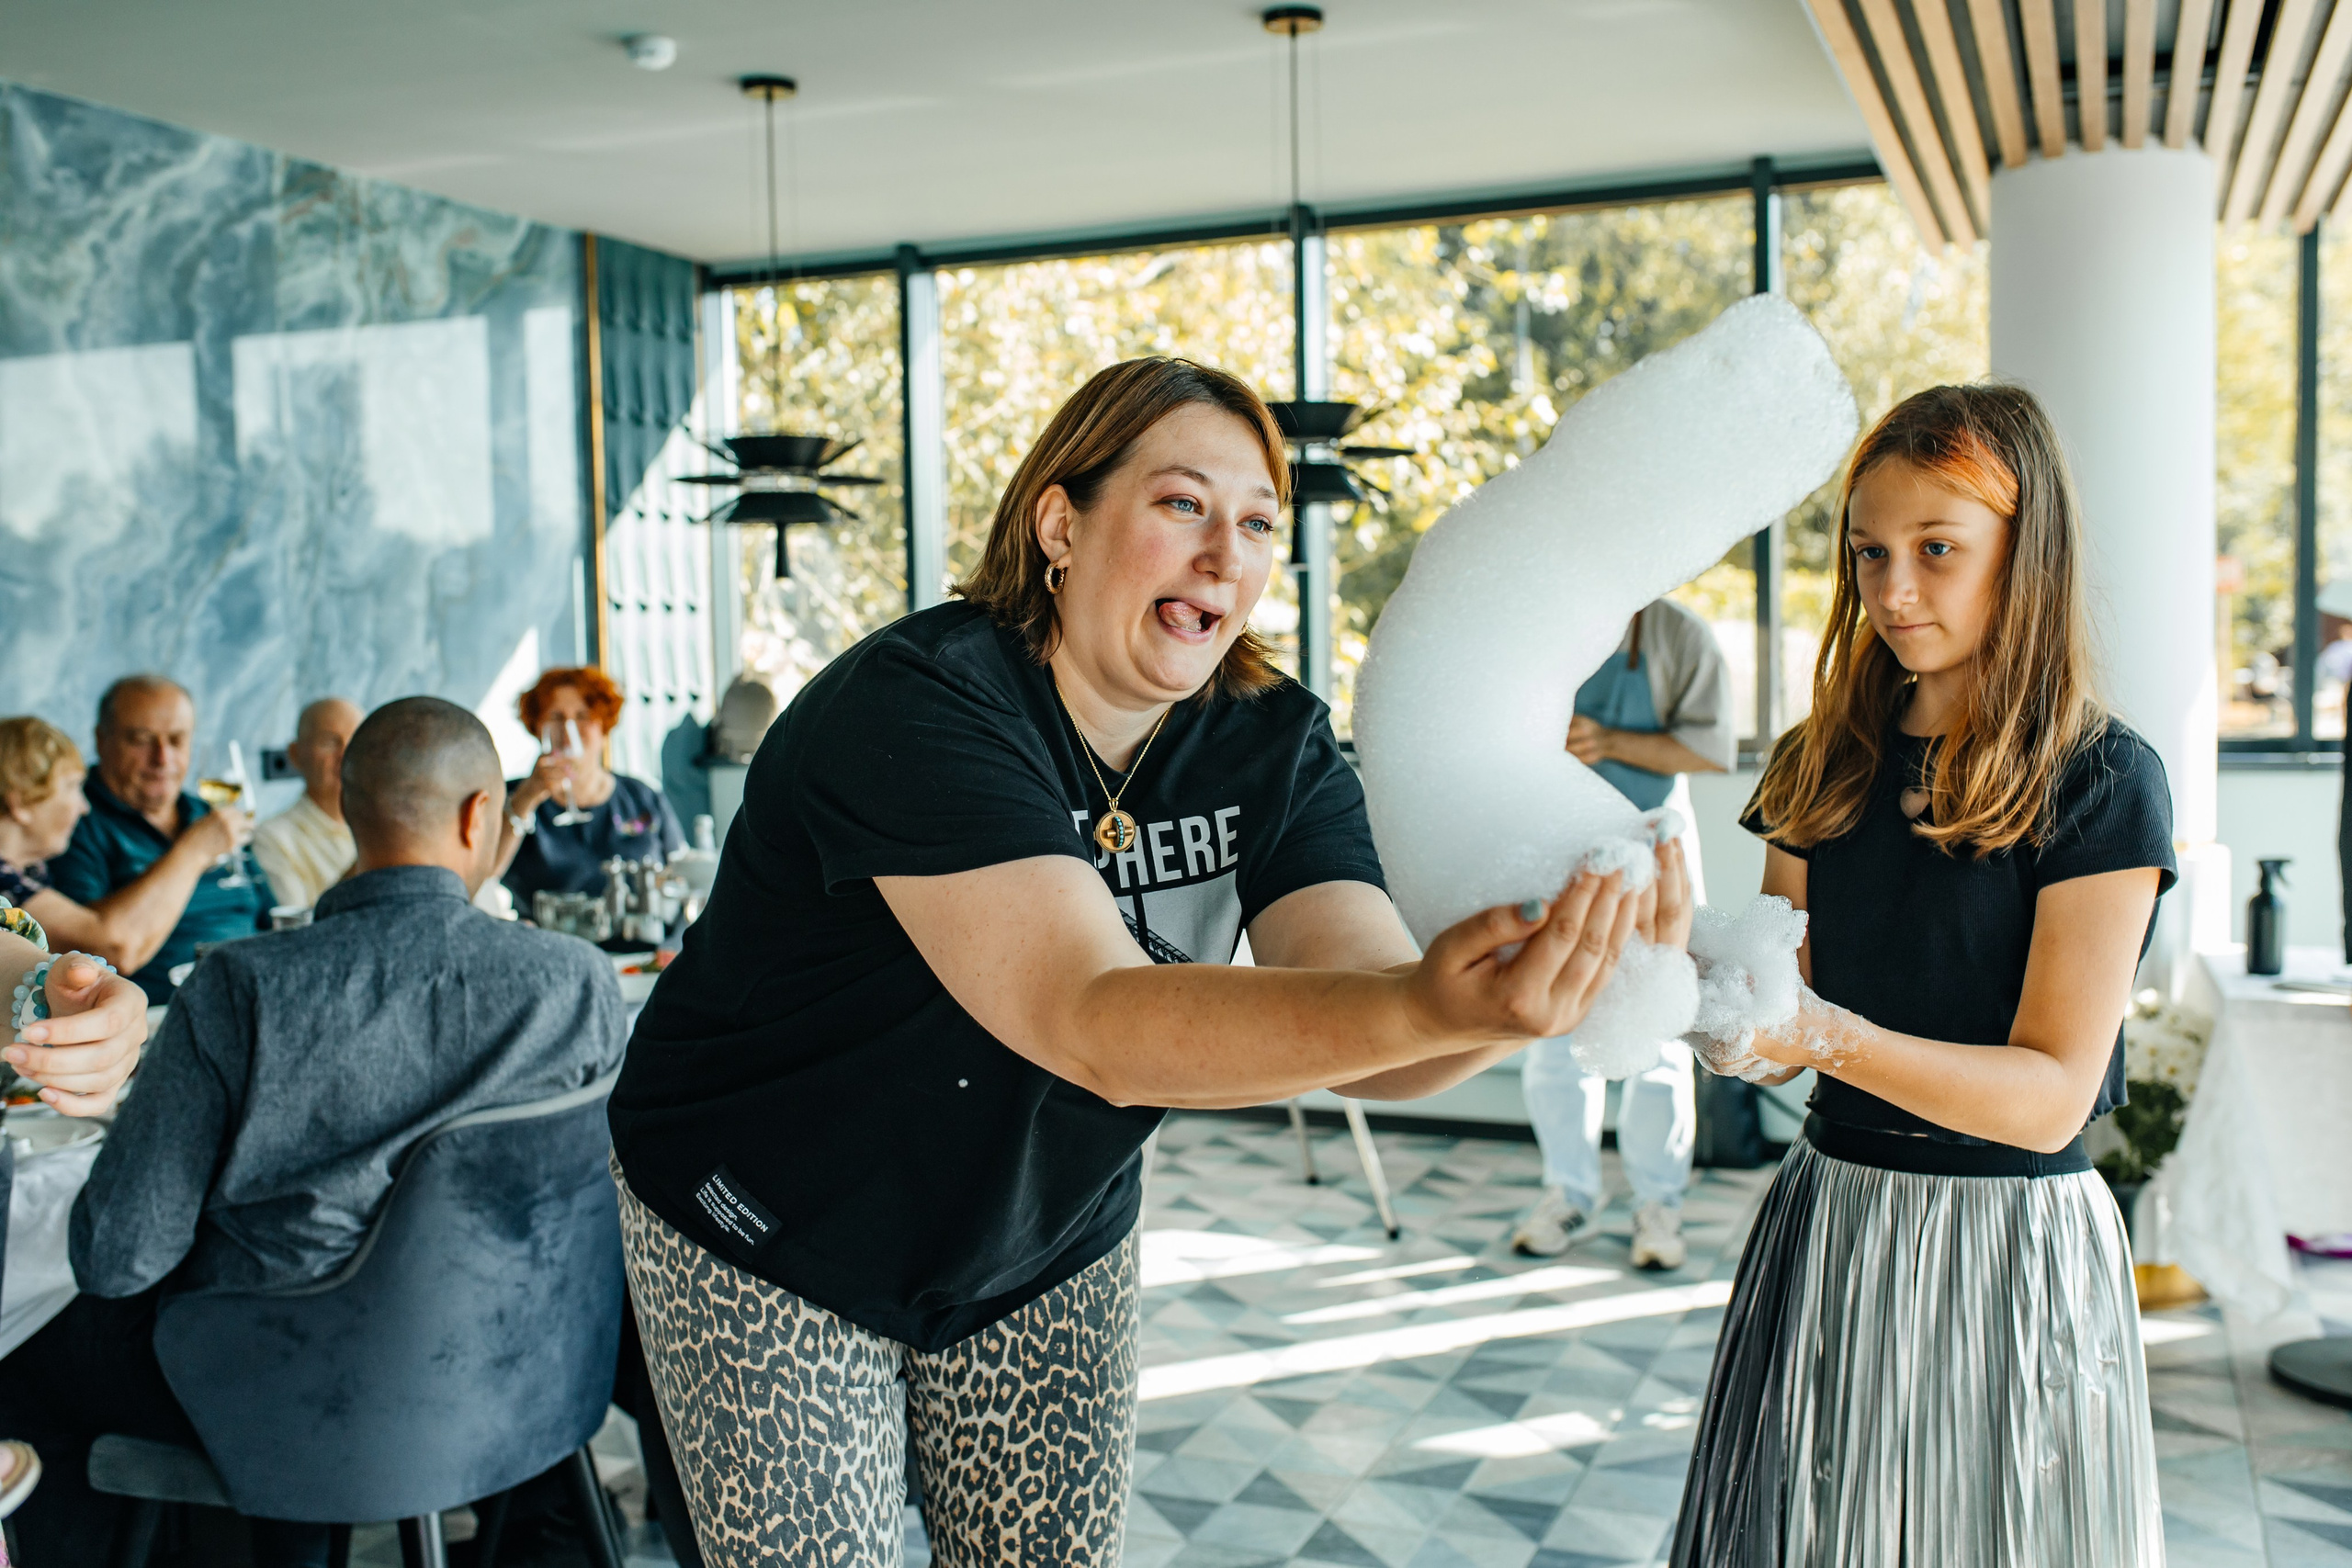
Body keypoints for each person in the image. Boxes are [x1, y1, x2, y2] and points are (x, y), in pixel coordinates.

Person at [607, 357, 1688, 1566]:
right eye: (1183, 504)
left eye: (1259, 522)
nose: (1227, 553)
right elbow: (1090, 1017)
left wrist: (1499, 1001)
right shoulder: (919, 705)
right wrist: (1427, 1002)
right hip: (770, 1220)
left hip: (1041, 1227)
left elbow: (1371, 1012)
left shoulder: (1268, 742)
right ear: (1060, 523)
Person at [1670, 385, 2171, 1563]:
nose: (1891, 592)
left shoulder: (2102, 780)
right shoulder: (1816, 763)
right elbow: (1766, 1001)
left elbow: (2050, 1094)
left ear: (2024, 552)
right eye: (1868, 555)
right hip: (1832, 1218)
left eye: (1936, 551)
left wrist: (1817, 1037)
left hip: (2011, 1251)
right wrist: (1697, 1005)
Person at [0, 696, 626, 1566]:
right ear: (483, 813)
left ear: (348, 809)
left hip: (288, 1398)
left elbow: (116, 1257)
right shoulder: (579, 982)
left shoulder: (240, 988)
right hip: (524, 1370)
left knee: (34, 1358)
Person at [1514, 598, 1731, 1269]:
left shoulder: (1679, 635)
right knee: (1554, 1035)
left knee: (1659, 1037)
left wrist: (1607, 741)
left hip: (1654, 850)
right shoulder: (1547, 626)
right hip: (1560, 848)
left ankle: (1657, 1203)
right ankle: (1567, 1193)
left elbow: (1712, 748)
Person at [44, 677, 273, 1002]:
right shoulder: (72, 821)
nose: (162, 759)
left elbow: (271, 920)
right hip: (157, 1017)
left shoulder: (209, 813)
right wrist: (193, 852)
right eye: (141, 740)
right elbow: (91, 952)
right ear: (101, 740)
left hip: (251, 1000)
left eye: (177, 740)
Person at [494, 666, 684, 907]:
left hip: (640, 942)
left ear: (604, 727)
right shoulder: (511, 796)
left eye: (583, 716)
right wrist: (526, 798)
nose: (568, 729)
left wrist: (671, 942)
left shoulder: (642, 797)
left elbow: (682, 878)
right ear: (536, 726)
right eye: (556, 717)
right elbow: (486, 875)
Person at [248, 697, 363, 909]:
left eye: (356, 741)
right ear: (295, 754)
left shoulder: (383, 825)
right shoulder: (271, 839)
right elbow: (295, 929)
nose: (346, 754)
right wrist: (371, 865)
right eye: (329, 742)